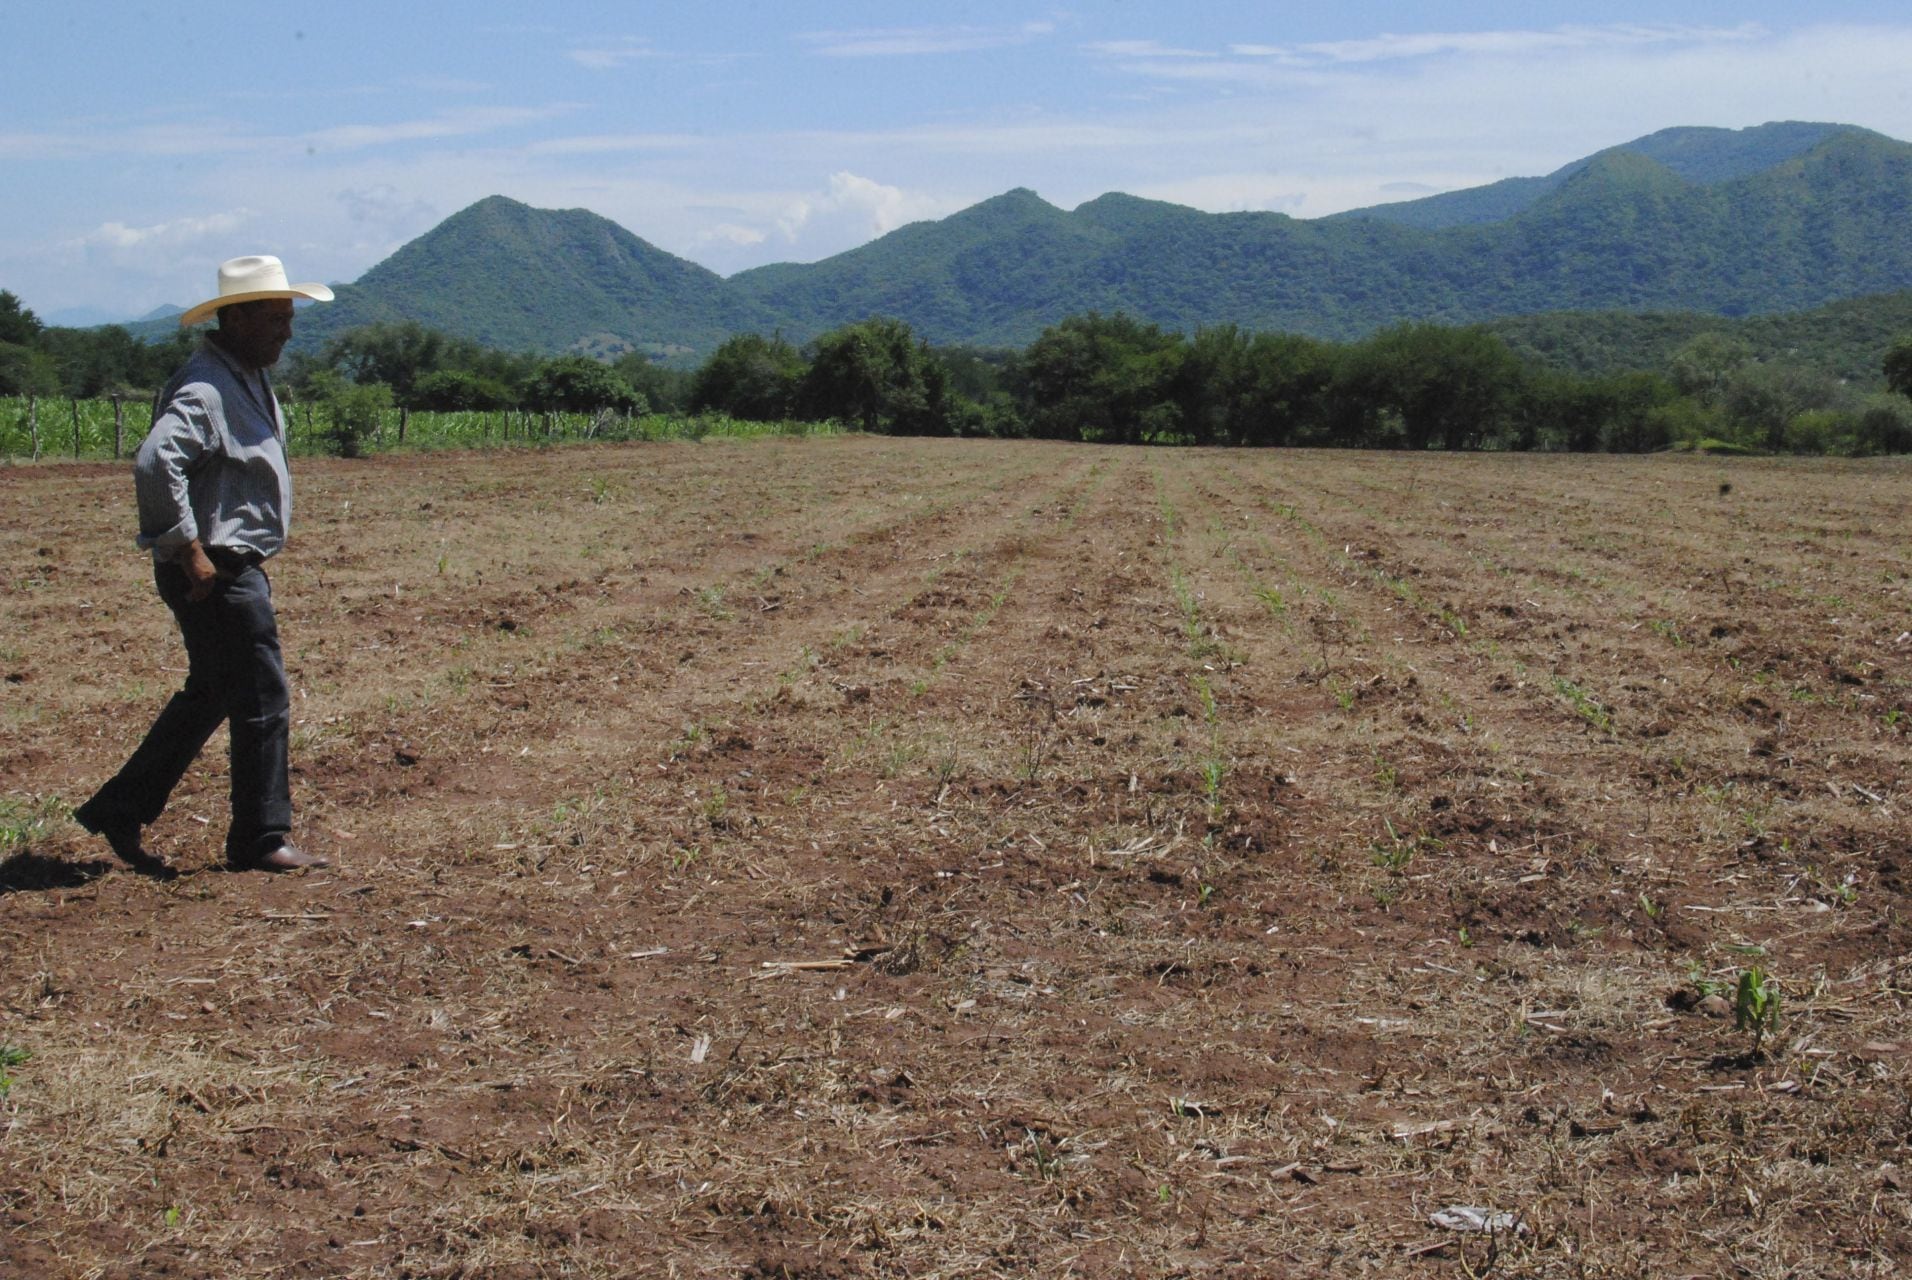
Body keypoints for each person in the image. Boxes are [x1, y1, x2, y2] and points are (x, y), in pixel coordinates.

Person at [73, 255, 335, 876]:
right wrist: (187, 549)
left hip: (222, 563)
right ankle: (260, 839)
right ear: (237, 319)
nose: (288, 331)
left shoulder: (243, 375)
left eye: (289, 318)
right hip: (216, 567)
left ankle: (122, 807)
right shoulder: (207, 386)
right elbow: (155, 460)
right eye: (276, 319)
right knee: (262, 695)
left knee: (215, 689)